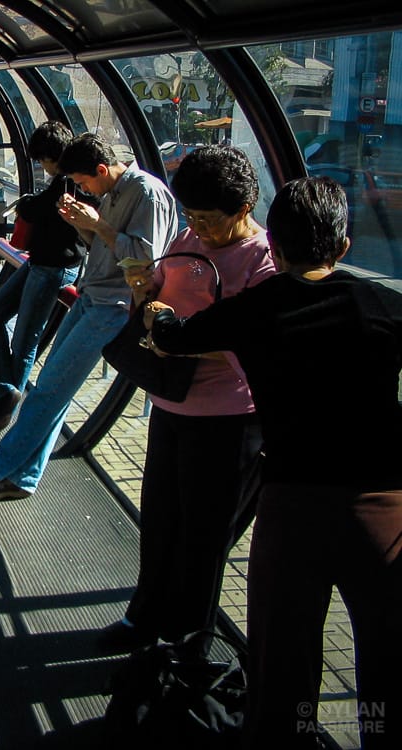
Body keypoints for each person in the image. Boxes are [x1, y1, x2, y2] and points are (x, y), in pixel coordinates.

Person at [147, 176, 402, 749]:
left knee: (283, 653)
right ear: (342, 246)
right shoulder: (382, 306)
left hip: (293, 502)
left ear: (277, 249)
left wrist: (157, 313)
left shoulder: (254, 309)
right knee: (388, 652)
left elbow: (173, 337)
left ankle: (289, 737)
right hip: (382, 506)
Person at [97, 145, 277, 655]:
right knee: (158, 522)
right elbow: (158, 294)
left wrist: (181, 339)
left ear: (243, 209)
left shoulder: (262, 261)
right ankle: (143, 618)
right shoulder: (187, 239)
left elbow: (255, 344)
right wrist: (142, 289)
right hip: (172, 401)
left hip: (227, 419)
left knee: (204, 537)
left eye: (209, 219)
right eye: (192, 216)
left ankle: (190, 642)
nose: (199, 228)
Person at [0, 132, 177, 503]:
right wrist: (81, 224)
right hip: (91, 296)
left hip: (111, 308)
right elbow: (104, 248)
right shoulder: (113, 192)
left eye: (84, 182)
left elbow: (145, 259)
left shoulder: (147, 195)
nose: (85, 190)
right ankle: (23, 477)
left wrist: (97, 224)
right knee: (54, 391)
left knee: (49, 389)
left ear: (102, 170)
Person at [0, 121, 94, 432]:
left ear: (52, 156)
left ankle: (2, 407)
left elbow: (37, 211)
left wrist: (31, 204)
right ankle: (5, 396)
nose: (42, 166)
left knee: (24, 341)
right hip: (40, 263)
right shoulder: (63, 183)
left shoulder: (71, 183)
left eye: (43, 160)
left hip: (54, 268)